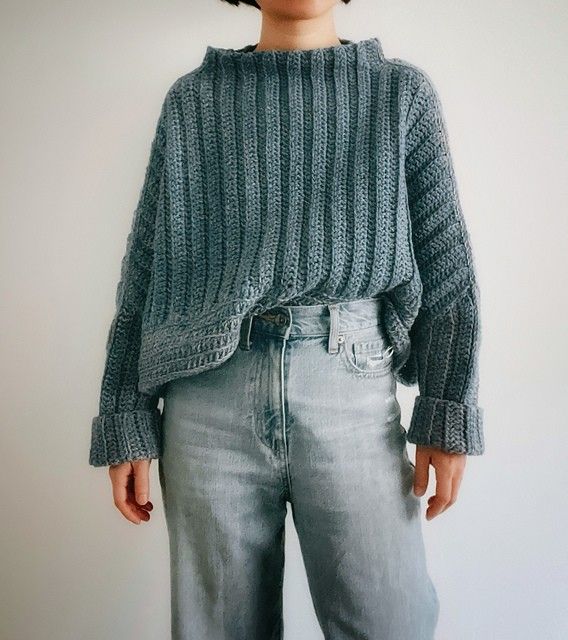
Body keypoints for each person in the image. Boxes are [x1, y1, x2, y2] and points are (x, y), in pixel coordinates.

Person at [89, 0, 485, 637]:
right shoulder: (193, 102)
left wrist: (447, 410)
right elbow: (146, 273)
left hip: (352, 388)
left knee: (390, 623)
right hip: (207, 398)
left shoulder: (399, 93)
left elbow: (448, 272)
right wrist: (124, 414)